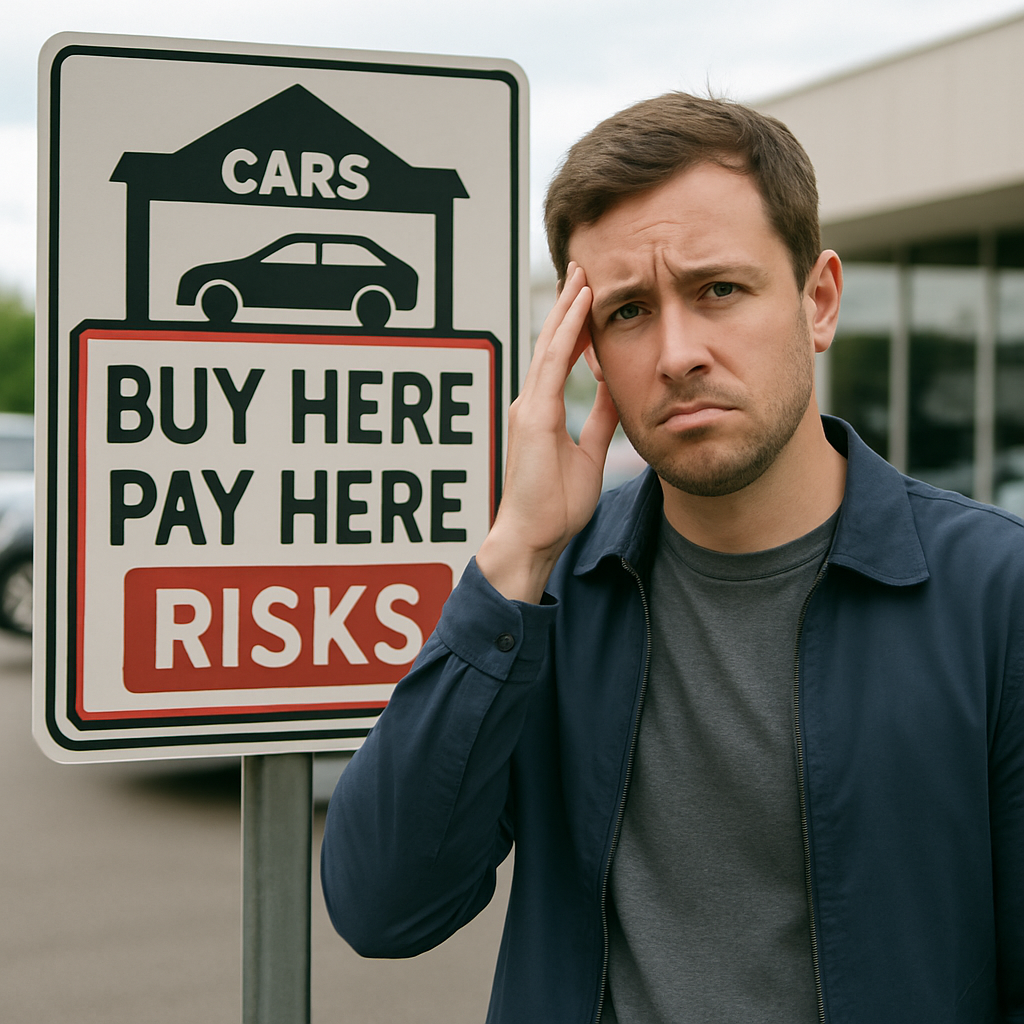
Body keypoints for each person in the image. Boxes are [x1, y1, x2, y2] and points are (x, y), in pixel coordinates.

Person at [320, 93, 1024, 1024]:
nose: (677, 352)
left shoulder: (996, 593)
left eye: (719, 290)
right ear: (586, 355)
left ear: (818, 301)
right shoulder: (545, 597)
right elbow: (383, 905)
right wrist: (513, 555)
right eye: (628, 312)